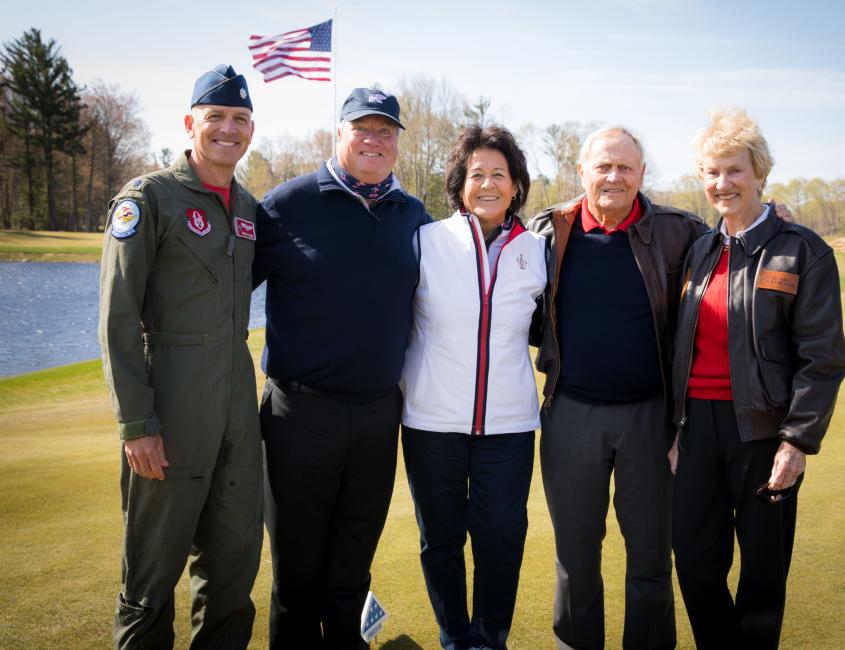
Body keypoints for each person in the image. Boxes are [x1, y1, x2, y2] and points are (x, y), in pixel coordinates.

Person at [253, 87, 432, 648]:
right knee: (298, 575)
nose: (374, 140)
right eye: (364, 128)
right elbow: (222, 295)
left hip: (379, 417)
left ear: (398, 142)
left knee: (353, 566)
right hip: (299, 415)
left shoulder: (413, 214)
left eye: (386, 131)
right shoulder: (286, 205)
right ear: (340, 132)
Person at [670, 108, 845, 649]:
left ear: (759, 173)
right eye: (712, 172)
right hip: (696, 429)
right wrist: (676, 429)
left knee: (763, 575)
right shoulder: (697, 250)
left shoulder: (803, 252)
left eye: (735, 170)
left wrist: (796, 442)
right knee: (697, 564)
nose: (723, 183)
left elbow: (821, 358)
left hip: (765, 434)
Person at [98, 64, 262, 648]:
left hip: (237, 411)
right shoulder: (149, 199)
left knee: (234, 569)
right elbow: (117, 320)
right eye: (215, 116)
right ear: (190, 123)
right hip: (172, 406)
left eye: (240, 119)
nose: (228, 128)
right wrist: (137, 423)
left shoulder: (248, 208)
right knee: (151, 577)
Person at [527, 126, 707, 649]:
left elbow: (734, 245)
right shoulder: (548, 232)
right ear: (581, 172)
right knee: (575, 556)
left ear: (642, 175)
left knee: (651, 556)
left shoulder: (681, 232)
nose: (613, 176)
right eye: (603, 166)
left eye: (625, 167)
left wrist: (774, 217)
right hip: (570, 416)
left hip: (650, 418)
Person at [400, 124, 547, 650]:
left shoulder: (538, 250)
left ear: (516, 186)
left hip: (508, 428)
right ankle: (453, 636)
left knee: (501, 541)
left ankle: (489, 637)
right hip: (430, 423)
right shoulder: (424, 241)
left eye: (499, 175)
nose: (488, 184)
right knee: (440, 541)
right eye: (476, 174)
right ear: (459, 184)